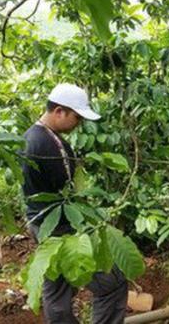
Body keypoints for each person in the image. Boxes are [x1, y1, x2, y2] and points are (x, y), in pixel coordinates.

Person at [21, 83, 127, 324]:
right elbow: (67, 192)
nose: (78, 123)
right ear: (59, 111)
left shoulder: (33, 138)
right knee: (112, 284)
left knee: (57, 291)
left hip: (43, 225)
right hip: (61, 227)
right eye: (77, 117)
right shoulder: (47, 145)